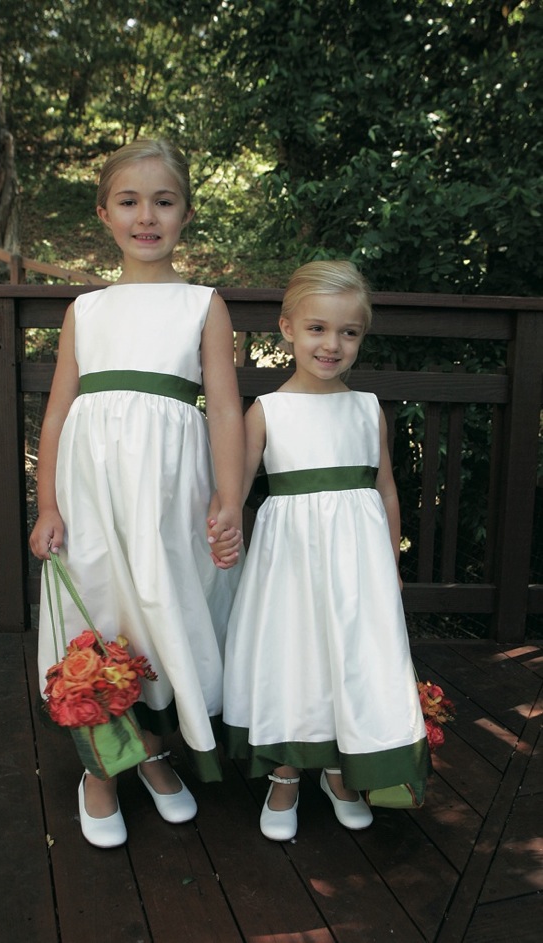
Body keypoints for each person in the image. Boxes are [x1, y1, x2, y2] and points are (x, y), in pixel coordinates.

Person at [29, 138, 244, 848]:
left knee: (158, 617)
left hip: (167, 501)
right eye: (129, 201)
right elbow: (59, 411)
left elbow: (224, 407)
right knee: (98, 613)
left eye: (163, 201)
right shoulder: (86, 311)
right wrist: (49, 503)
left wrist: (229, 497)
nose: (146, 215)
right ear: (104, 213)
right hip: (90, 496)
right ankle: (99, 771)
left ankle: (151, 751)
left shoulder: (202, 306)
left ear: (185, 213)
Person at [218, 260, 429, 841]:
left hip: (358, 570)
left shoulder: (367, 409)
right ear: (287, 329)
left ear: (361, 337)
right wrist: (224, 526)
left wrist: (390, 562)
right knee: (296, 658)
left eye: (348, 332)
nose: (331, 344)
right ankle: (285, 771)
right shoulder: (267, 411)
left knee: (352, 661)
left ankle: (341, 769)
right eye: (316, 329)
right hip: (289, 568)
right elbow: (233, 490)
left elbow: (385, 490)